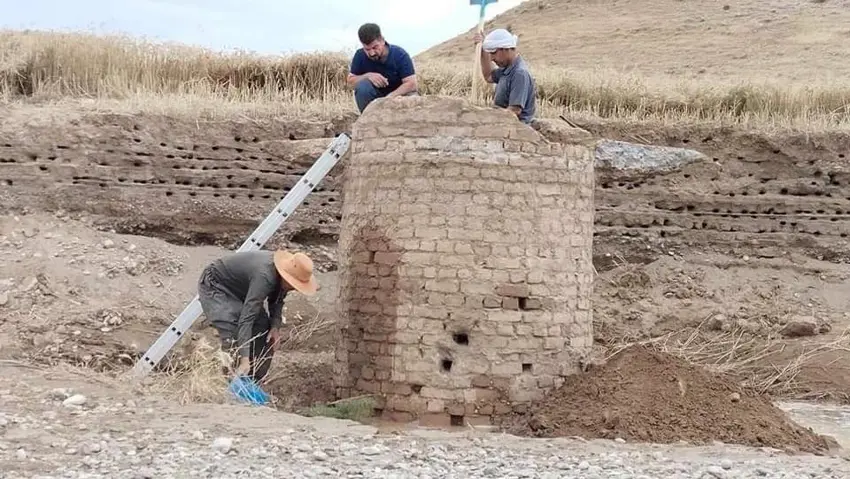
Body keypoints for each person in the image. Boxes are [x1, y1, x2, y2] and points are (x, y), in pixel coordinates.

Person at [197, 249, 318, 383]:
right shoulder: (265, 277)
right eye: (294, 285)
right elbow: (247, 318)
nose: (294, 288)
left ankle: (253, 380)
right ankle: (230, 382)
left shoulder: (281, 278)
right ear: (285, 276)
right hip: (216, 284)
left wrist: (275, 327)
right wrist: (244, 359)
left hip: (242, 289)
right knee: (232, 331)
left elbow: (277, 300)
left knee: (262, 329)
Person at [347, 23, 418, 112]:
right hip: (375, 100)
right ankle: (368, 119)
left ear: (382, 41)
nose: (372, 53)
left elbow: (411, 84)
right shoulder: (359, 55)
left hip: (399, 96)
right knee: (362, 87)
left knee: (413, 98)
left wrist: (388, 99)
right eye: (367, 49)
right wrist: (368, 76)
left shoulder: (400, 54)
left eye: (375, 47)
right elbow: (350, 82)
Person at [473, 28, 537, 124]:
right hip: (503, 124)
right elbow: (488, 76)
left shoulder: (519, 74)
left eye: (493, 53)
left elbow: (514, 111)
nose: (491, 58)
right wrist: (483, 49)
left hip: (516, 129)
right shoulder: (507, 69)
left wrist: (486, 117)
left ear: (506, 49)